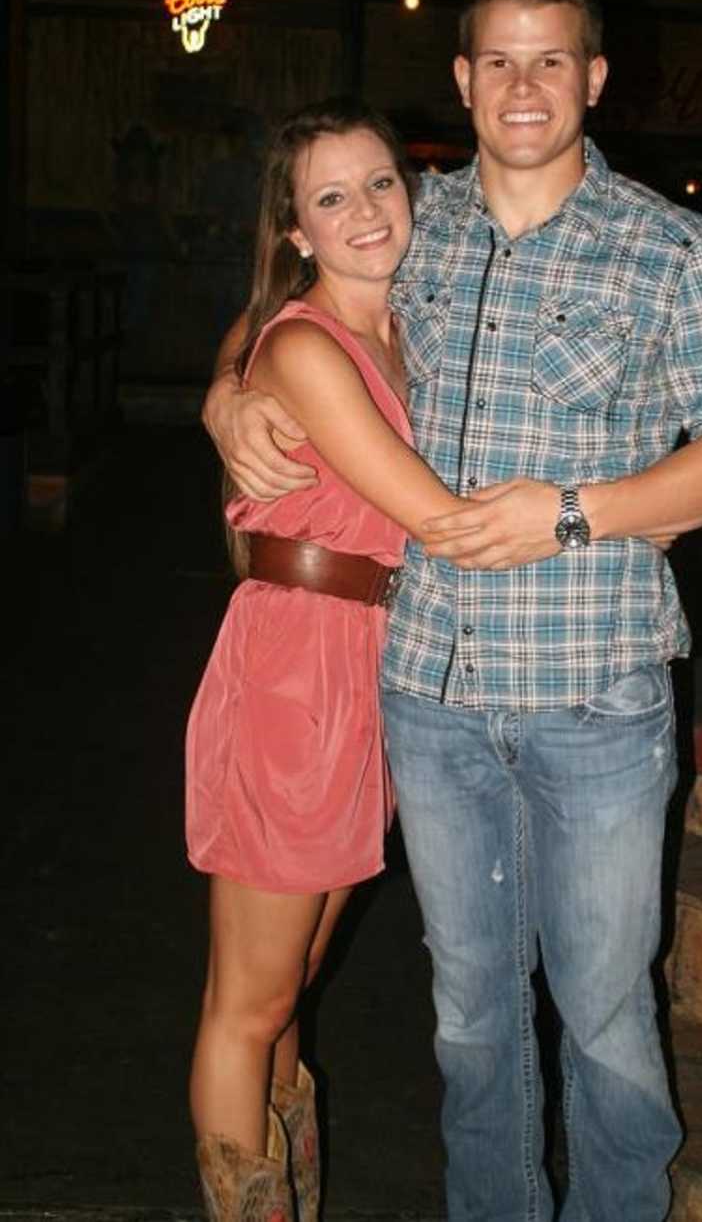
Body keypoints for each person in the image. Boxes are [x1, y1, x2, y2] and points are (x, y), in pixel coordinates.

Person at [204, 0, 702, 1222]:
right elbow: (293, 309)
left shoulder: (668, 247)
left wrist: (573, 510)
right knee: (471, 1021)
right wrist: (229, 395)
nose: (526, 87)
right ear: (463, 83)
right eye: (501, 64)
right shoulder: (421, 226)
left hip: (595, 697)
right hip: (428, 694)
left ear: (595, 77)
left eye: (553, 62)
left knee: (608, 1014)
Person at [186, 98, 473, 1222]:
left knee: (292, 981)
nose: (365, 211)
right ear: (295, 227)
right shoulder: (308, 344)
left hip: (365, 662)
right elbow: (432, 516)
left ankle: (284, 1193)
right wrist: (613, 520)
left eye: (382, 184)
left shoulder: (407, 316)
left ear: (416, 192)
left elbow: (245, 328)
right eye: (331, 196)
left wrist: (221, 378)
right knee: (247, 1000)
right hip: (299, 668)